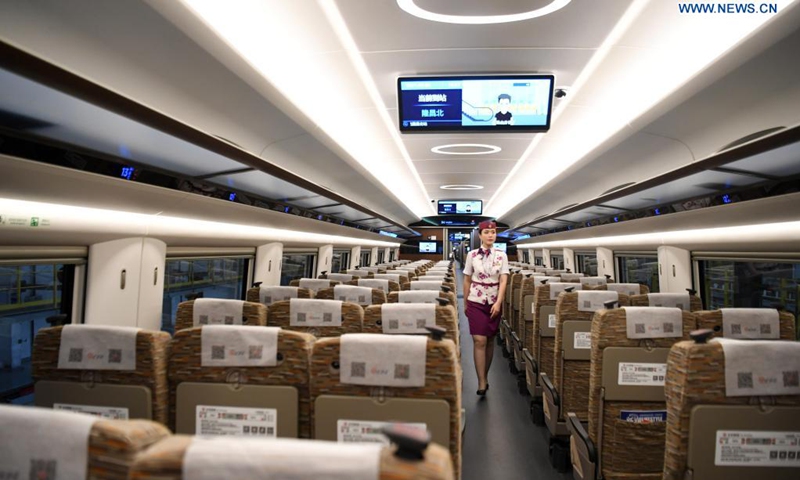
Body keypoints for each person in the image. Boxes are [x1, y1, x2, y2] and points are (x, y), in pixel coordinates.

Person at [463, 220, 509, 396]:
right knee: (479, 341)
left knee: (489, 340)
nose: (491, 235)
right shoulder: (472, 255)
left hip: (493, 302)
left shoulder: (501, 255)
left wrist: (499, 302)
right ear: (480, 235)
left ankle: (485, 375)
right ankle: (481, 381)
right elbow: (467, 279)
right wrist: (466, 302)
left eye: (493, 232)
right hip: (476, 300)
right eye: (487, 232)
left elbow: (504, 280)